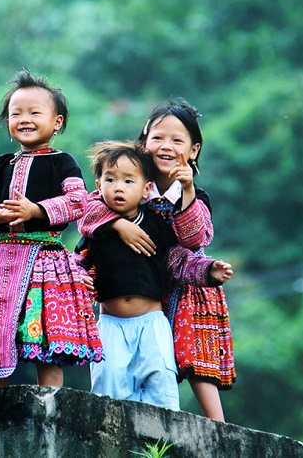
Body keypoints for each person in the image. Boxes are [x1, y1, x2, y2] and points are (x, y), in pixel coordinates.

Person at [0, 68, 104, 389]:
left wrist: (36, 210)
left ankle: (51, 403)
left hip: (48, 259)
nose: (24, 119)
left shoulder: (64, 162)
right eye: (16, 113)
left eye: (34, 112)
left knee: (46, 338)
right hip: (2, 259)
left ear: (57, 122)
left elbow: (77, 201)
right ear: (7, 123)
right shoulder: (1, 164)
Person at [78, 99, 235, 420]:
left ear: (193, 150)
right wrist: (118, 222)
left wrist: (187, 188)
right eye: (158, 138)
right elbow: (86, 210)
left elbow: (194, 240)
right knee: (114, 375)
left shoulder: (191, 195)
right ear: (144, 142)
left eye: (177, 140)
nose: (166, 146)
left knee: (184, 359)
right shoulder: (122, 185)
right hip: (125, 297)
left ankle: (218, 425)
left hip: (189, 278)